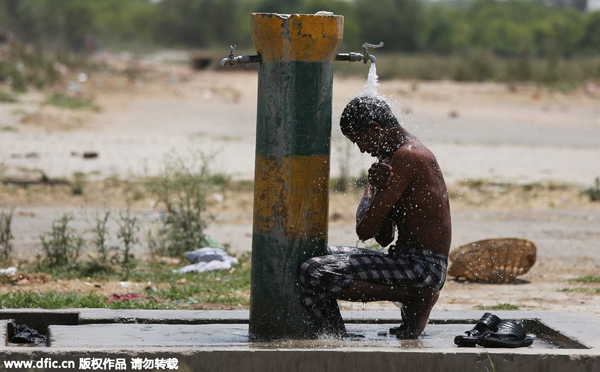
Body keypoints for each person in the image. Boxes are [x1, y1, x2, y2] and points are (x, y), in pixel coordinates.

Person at [299, 95, 452, 339]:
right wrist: (378, 189)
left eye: (360, 140)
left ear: (375, 129)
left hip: (424, 267)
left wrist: (371, 190)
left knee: (314, 271)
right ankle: (335, 338)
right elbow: (383, 237)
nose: (362, 149)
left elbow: (365, 231)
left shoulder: (408, 156)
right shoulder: (391, 158)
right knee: (311, 254)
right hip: (405, 261)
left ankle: (414, 296)